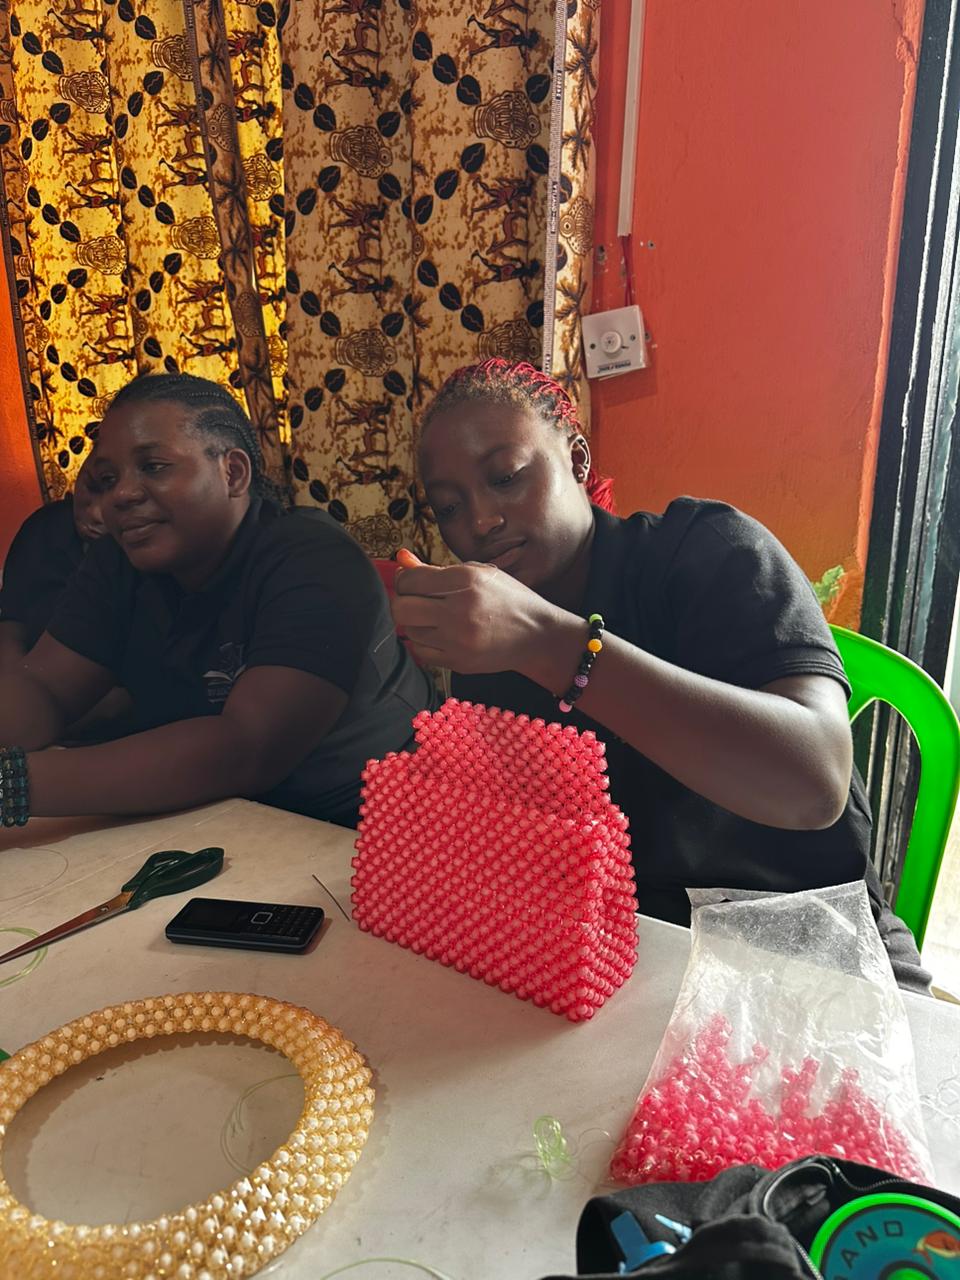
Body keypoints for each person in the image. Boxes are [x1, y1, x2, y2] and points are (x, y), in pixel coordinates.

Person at [391, 358, 930, 994]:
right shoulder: (485, 646)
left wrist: (551, 645)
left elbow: (814, 783)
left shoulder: (708, 554)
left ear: (578, 460)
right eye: (449, 507)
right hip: (624, 955)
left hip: (813, 949)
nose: (479, 522)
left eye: (506, 477)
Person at [0, 373, 437, 829]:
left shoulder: (315, 558)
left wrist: (10, 785)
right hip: (226, 821)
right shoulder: (120, 560)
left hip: (379, 830)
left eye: (154, 466)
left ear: (233, 473)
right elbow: (44, 688)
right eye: (107, 479)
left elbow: (247, 747)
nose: (121, 495)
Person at [0, 454, 106, 670]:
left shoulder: (148, 562)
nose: (95, 513)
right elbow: (12, 617)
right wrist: (17, 674)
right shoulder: (46, 527)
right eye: (91, 487)